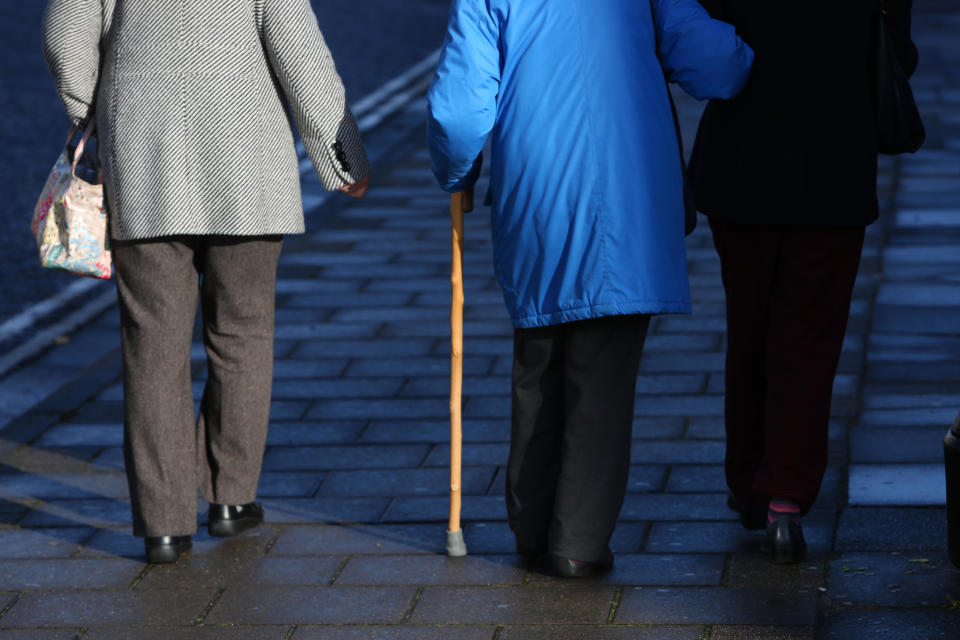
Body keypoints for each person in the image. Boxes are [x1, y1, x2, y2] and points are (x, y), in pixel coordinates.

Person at [427, 0, 753, 577]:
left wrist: (457, 171)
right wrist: (752, 51)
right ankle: (577, 542)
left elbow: (460, 109)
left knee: (537, 364)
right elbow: (715, 64)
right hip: (628, 193)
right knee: (601, 375)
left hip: (537, 191)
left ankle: (532, 530)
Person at [42, 0, 370, 563]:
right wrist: (344, 160)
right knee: (242, 333)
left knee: (153, 348)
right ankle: (230, 497)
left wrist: (87, 109)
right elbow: (298, 49)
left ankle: (164, 527)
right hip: (248, 161)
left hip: (146, 157)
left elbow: (66, 35)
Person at [689, 1, 918, 563]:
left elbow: (698, 42)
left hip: (743, 158)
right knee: (809, 338)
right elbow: (899, 54)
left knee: (750, 326)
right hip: (833, 165)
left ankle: (747, 482)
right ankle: (784, 496)